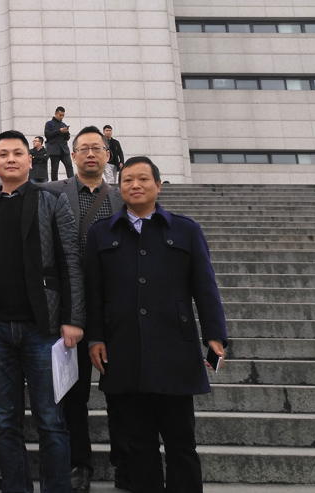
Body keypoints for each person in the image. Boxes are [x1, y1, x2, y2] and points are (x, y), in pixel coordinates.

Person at [86, 156, 228, 493]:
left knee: (182, 441)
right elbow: (94, 293)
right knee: (138, 444)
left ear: (158, 185)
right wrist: (95, 338)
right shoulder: (101, 232)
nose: (135, 185)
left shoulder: (185, 229)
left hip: (174, 349)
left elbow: (205, 287)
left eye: (143, 179)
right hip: (124, 349)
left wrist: (215, 336)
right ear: (119, 188)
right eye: (127, 180)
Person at [0, 130, 84, 493]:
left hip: (43, 328)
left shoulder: (51, 200)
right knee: (5, 421)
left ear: (29, 159)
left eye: (17, 153)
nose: (10, 159)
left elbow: (70, 260)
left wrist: (73, 319)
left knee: (51, 419)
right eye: (3, 154)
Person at [45, 126, 124, 493]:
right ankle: (79, 464)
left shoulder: (124, 196)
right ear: (72, 155)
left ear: (108, 154)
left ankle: (126, 462)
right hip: (71, 308)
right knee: (73, 393)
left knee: (121, 390)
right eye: (84, 148)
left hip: (116, 308)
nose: (91, 154)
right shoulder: (53, 192)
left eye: (97, 148)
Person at [44, 106, 73, 181]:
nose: (61, 117)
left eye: (63, 115)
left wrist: (66, 132)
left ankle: (72, 182)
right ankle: (54, 184)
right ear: (56, 114)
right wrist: (59, 131)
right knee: (54, 169)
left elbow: (67, 138)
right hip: (54, 149)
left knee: (69, 166)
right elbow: (47, 135)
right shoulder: (49, 124)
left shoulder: (64, 124)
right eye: (60, 115)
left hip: (64, 149)